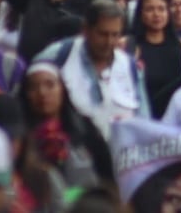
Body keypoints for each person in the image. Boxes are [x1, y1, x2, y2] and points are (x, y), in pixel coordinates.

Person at [35, 0, 150, 140]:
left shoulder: (130, 66)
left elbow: (144, 120)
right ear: (86, 30)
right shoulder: (59, 55)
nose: (109, 42)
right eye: (103, 34)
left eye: (115, 35)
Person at [19, 61, 114, 190]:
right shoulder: (21, 135)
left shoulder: (84, 128)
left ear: (62, 89)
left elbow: (106, 172)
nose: (42, 93)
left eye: (50, 85)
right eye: (34, 87)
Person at [128, 0, 181, 118]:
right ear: (140, 14)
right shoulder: (130, 46)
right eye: (150, 9)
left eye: (161, 9)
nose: (156, 14)